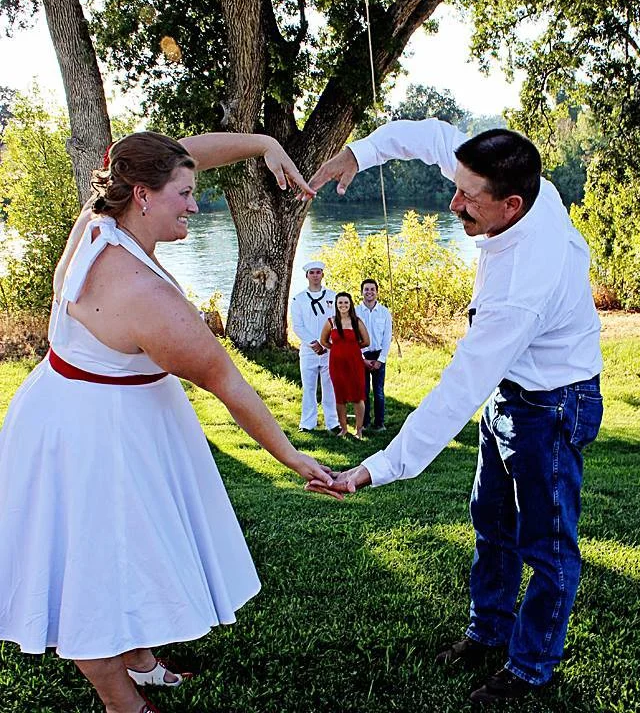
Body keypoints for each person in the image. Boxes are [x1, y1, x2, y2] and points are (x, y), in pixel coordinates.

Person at [0, 130, 338, 713]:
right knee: (93, 570)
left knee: (134, 547)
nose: (195, 203)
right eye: (184, 194)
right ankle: (120, 699)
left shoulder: (101, 214)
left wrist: (261, 144)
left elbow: (179, 153)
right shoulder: (142, 294)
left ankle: (140, 658)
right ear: (143, 196)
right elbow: (227, 382)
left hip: (90, 409)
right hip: (91, 438)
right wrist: (291, 455)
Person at [307, 119, 603, 705]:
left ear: (513, 205)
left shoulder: (521, 287)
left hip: (552, 401)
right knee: (491, 519)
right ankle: (487, 631)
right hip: (512, 389)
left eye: (469, 198)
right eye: (457, 184)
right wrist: (356, 155)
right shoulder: (501, 183)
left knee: (547, 546)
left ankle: (531, 668)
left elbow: (455, 393)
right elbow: (430, 134)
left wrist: (377, 467)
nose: (453, 202)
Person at [290, 261, 339, 433]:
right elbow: (298, 326)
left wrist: (327, 342)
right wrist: (313, 343)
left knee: (329, 387)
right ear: (307, 276)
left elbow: (336, 321)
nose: (316, 275)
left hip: (329, 350)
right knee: (309, 388)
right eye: (312, 273)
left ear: (323, 275)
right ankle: (307, 423)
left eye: (318, 272)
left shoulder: (332, 297)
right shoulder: (299, 299)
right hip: (308, 351)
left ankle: (332, 422)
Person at [320, 293, 370, 439]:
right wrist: (336, 349)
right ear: (336, 304)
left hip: (354, 363)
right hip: (336, 364)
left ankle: (359, 430)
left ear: (350, 304)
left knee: (357, 396)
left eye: (346, 303)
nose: (343, 305)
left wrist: (352, 348)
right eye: (340, 303)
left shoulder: (356, 322)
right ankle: (343, 428)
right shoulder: (331, 322)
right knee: (340, 396)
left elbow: (366, 341)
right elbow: (324, 341)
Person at [356, 278, 392, 432]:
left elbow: (386, 338)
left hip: (378, 356)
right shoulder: (355, 312)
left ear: (377, 292)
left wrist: (380, 360)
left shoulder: (384, 312)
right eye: (366, 289)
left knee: (378, 392)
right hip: (361, 355)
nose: (369, 292)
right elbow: (353, 337)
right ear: (362, 292)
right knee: (363, 391)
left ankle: (380, 423)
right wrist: (362, 358)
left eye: (372, 289)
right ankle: (364, 422)